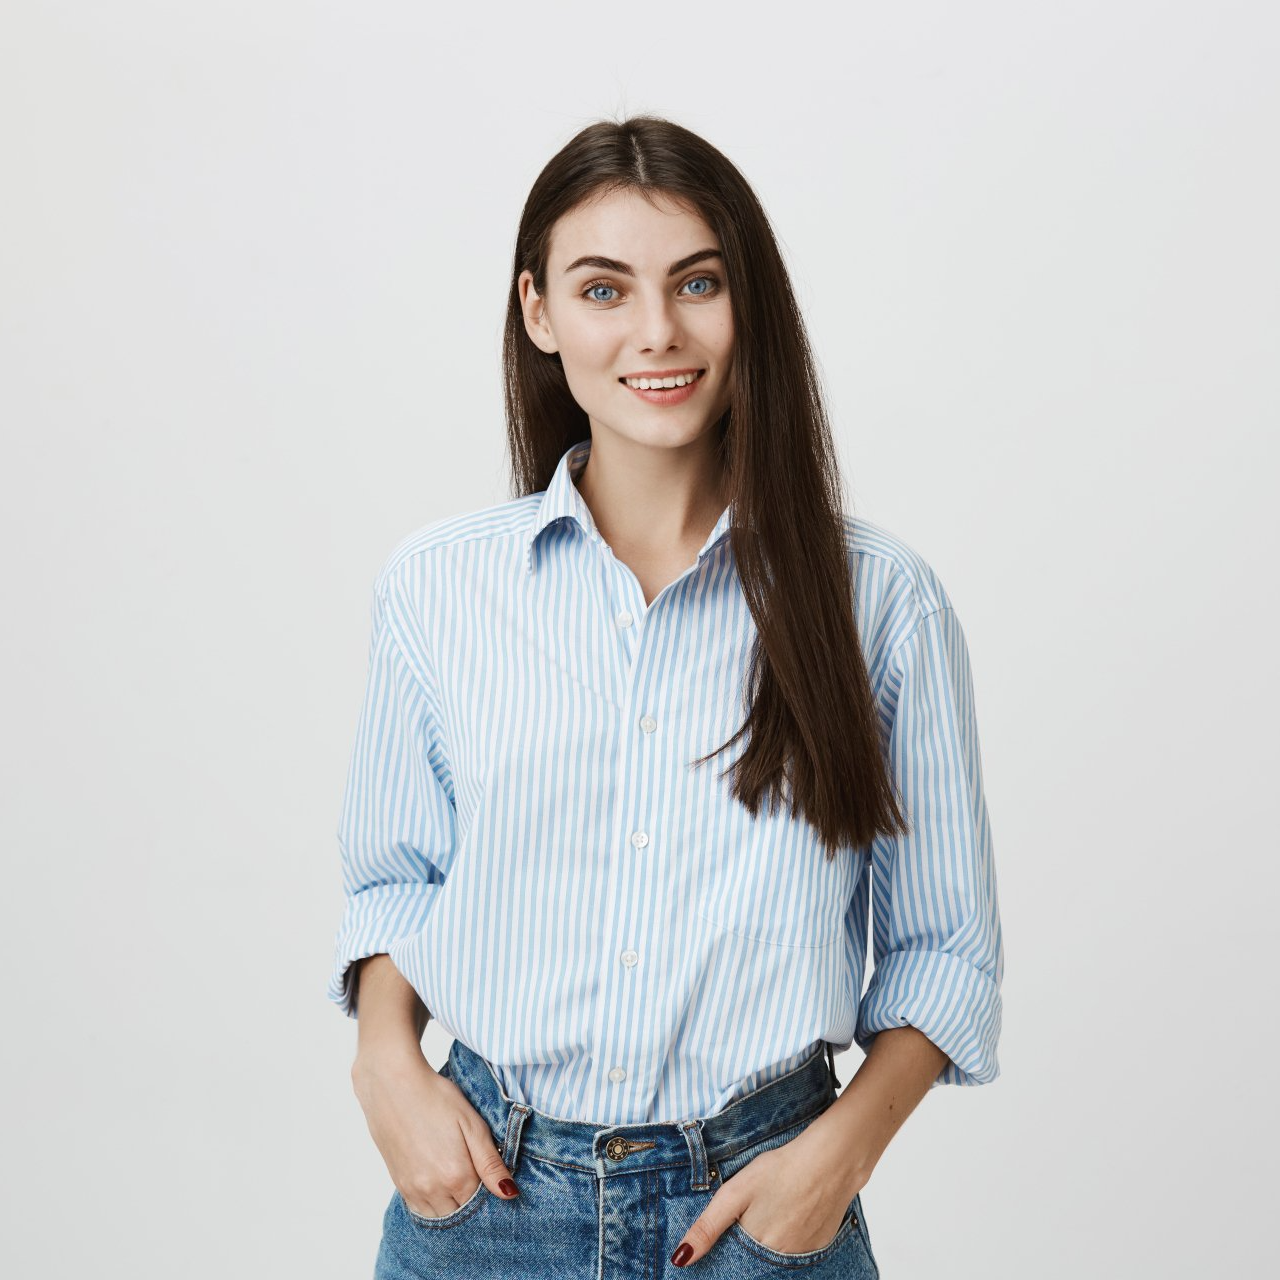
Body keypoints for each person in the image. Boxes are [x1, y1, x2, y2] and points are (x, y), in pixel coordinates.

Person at [328, 114, 1004, 1279]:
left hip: (760, 1205)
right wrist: (384, 1064)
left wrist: (831, 1162)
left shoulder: (878, 601)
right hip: (486, 1206)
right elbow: (396, 880)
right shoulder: (438, 587)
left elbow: (943, 946)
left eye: (697, 282)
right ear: (538, 311)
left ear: (750, 306)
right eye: (603, 289)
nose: (657, 330)